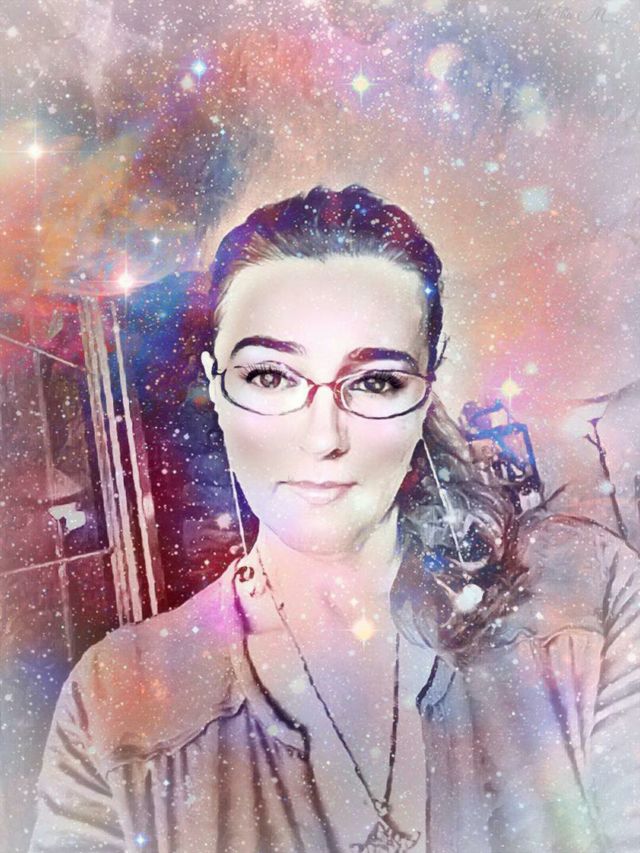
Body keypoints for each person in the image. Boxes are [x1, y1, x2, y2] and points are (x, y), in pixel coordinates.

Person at [29, 184, 640, 853]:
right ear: (217, 386)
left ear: (425, 392)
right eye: (270, 376)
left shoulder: (587, 593)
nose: (322, 438)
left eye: (376, 381)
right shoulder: (116, 704)